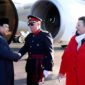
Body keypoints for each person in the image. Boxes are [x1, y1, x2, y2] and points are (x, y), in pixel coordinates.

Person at [19, 15, 54, 85]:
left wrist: (48, 68)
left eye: (32, 24)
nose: (30, 26)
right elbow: (25, 48)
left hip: (39, 66)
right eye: (29, 24)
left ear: (38, 24)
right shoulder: (29, 36)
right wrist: (18, 54)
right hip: (30, 66)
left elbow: (50, 52)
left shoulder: (45, 35)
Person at [57, 16, 85, 85]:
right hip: (71, 79)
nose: (76, 27)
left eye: (78, 25)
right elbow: (65, 57)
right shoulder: (73, 39)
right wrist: (62, 72)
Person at [0, 18, 21, 85]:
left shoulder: (2, 38)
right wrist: (17, 56)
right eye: (6, 26)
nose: (8, 29)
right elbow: (6, 53)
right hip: (2, 73)